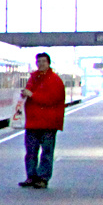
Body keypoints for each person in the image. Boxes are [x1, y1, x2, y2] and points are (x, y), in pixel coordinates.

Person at [18, 52, 65, 189]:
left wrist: (32, 94)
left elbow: (51, 99)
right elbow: (29, 94)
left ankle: (43, 178)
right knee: (30, 151)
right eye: (39, 61)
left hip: (49, 123)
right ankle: (31, 176)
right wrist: (25, 94)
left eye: (43, 61)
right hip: (32, 122)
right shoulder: (33, 78)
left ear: (49, 63)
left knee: (46, 152)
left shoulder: (55, 80)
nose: (41, 64)